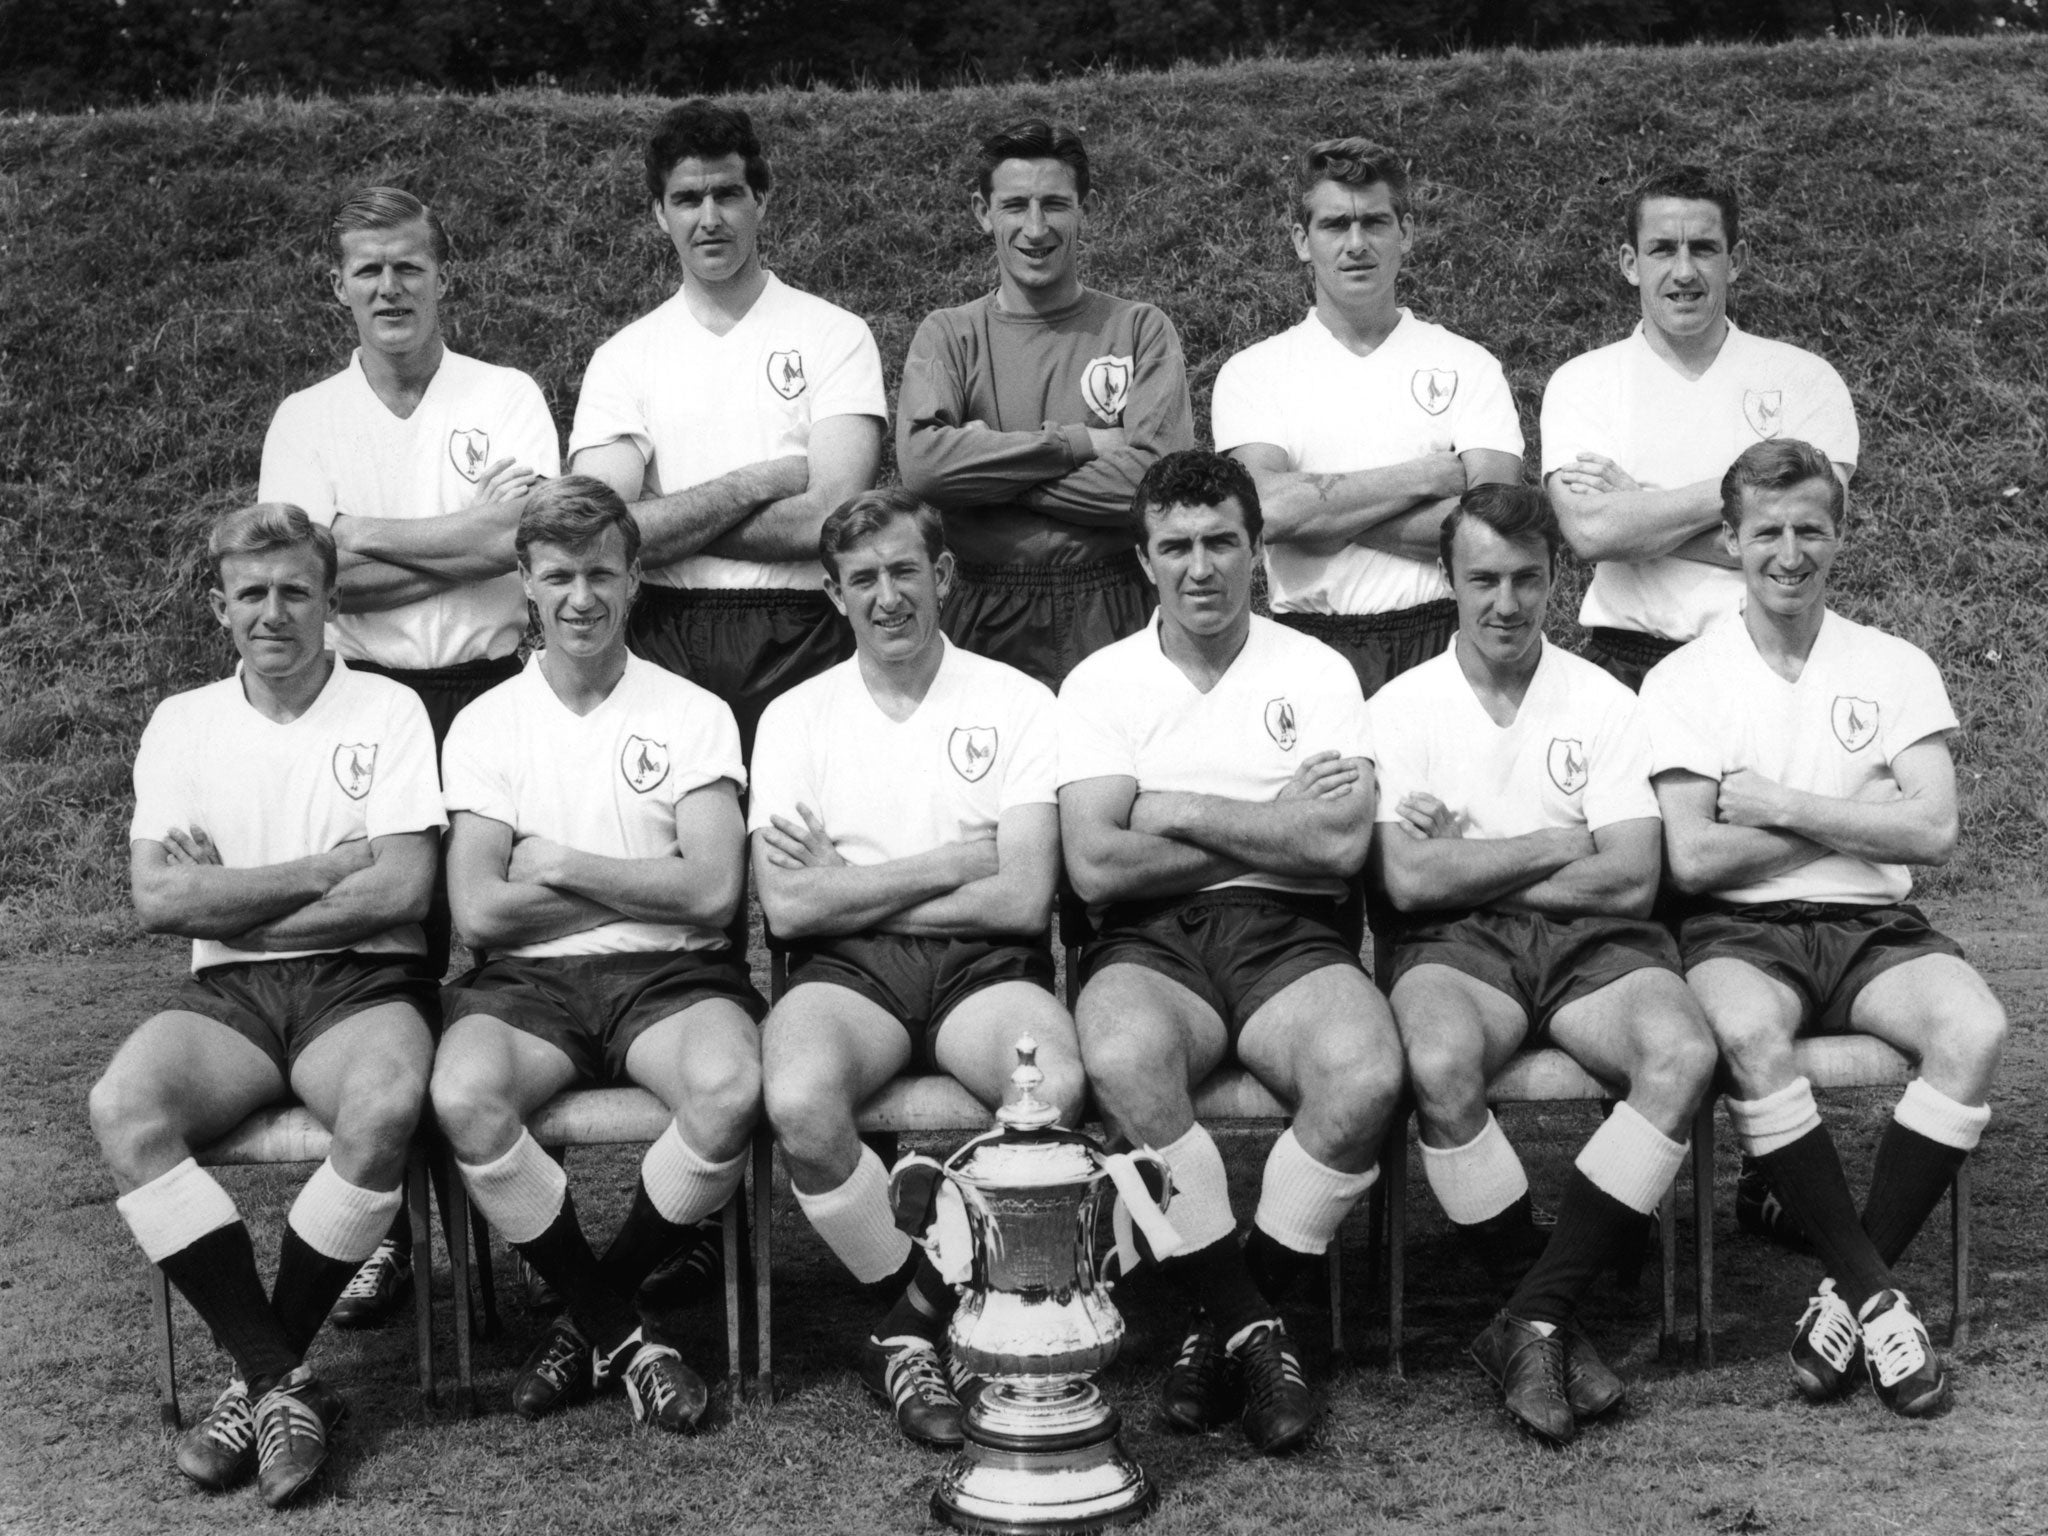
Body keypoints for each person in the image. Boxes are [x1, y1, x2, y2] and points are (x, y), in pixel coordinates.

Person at [1642, 438, 2006, 1419]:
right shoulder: (1683, 681)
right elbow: (1692, 860)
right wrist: (1851, 809)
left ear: (1838, 536)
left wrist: (1776, 805)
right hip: (1738, 932)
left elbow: (1928, 828)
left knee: (1970, 1031)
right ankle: (1876, 1294)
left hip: (1870, 924)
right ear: (1728, 541)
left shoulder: (1891, 666)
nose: (1788, 552)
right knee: (1746, 1032)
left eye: (1810, 528)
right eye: (1766, 531)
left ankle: (1844, 1298)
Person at [89, 503, 443, 1506]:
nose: (275, 613)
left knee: (380, 1107)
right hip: (230, 994)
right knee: (125, 1107)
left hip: (365, 983)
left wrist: (236, 896)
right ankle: (275, 1375)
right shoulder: (183, 723)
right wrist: (330, 870)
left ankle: (261, 1371)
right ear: (220, 609)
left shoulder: (387, 711)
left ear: (332, 601)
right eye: (253, 594)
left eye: (296, 591)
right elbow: (160, 898)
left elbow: (403, 891)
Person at [1057, 450, 1403, 1454]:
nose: (1199, 567)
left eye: (1220, 543)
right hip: (1146, 943)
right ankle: (1257, 1333)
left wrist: (1169, 807)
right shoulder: (1099, 684)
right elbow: (1094, 868)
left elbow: (1335, 846)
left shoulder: (1318, 672)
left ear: (1257, 553)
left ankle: (1218, 1321)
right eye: (1175, 547)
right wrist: (1262, 817)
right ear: (1142, 559)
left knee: (1363, 1072)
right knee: (1121, 1061)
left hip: (1288, 933)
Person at [258, 184, 562, 1325]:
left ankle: (506, 1193)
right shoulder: (306, 419)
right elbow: (302, 582)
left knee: (487, 947)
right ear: (336, 287)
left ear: (446, 276)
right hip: (358, 708)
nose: (389, 289)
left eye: (409, 268)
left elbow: (523, 543)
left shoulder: (507, 394)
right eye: (367, 271)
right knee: (380, 955)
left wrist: (364, 538)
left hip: (489, 689)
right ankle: (376, 1214)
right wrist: (457, 541)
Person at [1367, 483, 1716, 1445]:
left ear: (1557, 579)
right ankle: (1548, 1312)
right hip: (1456, 951)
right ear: (1450, 581)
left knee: (1680, 1054)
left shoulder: (1603, 700)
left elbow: (1633, 878)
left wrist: (1471, 865)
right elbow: (1405, 883)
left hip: (1591, 945)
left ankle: (1533, 1317)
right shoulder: (1400, 708)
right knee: (1438, 1064)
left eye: (1528, 578)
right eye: (1484, 579)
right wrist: (1561, 844)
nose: (1507, 603)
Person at [751, 488, 1087, 1448]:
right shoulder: (792, 718)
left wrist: (853, 878)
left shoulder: (1019, 701)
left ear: (942, 576)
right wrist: (948, 861)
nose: (887, 596)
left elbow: (1022, 898)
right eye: (864, 579)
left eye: (905, 571)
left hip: (986, 966)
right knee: (802, 1101)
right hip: (845, 973)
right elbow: (792, 907)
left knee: (1051, 1087)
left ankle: (907, 1326)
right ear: (833, 593)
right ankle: (917, 1315)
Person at [429, 478, 764, 1431]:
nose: (582, 597)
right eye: (560, 576)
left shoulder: (693, 711)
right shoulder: (488, 722)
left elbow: (709, 891)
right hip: (527, 984)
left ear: (636, 578)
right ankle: (623, 1331)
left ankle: (589, 1315)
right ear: (524, 585)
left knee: (731, 1086)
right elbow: (481, 915)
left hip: (671, 974)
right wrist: (639, 876)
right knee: (462, 1094)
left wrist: (567, 865)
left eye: (601, 574)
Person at [569, 100, 886, 751]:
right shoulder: (624, 359)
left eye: (727, 194)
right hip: (663, 635)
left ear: (760, 198)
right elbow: (605, 534)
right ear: (660, 212)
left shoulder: (835, 336)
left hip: (805, 634)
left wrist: (666, 518)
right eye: (687, 199)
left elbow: (827, 519)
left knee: (796, 848)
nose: (708, 219)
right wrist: (759, 481)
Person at [1213, 138, 1523, 699]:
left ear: (1405, 232)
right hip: (1310, 647)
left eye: (1375, 222)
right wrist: (1421, 479)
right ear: (1301, 241)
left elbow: (1494, 527)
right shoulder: (1253, 372)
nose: (1356, 244)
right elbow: (1267, 511)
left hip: (1444, 640)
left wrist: (1321, 519)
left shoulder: (1467, 364)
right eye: (1334, 225)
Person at [898, 118, 1196, 689]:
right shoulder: (949, 335)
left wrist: (988, 472)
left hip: (1114, 604)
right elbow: (924, 468)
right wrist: (1079, 444)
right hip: (985, 608)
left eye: (1054, 204)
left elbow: (1159, 489)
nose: (1035, 228)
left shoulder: (1139, 329)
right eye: (1015, 206)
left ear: (1084, 208)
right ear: (983, 212)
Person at [1541, 164, 1858, 693]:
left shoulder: (1805, 380)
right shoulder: (1584, 382)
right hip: (1627, 666)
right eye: (1663, 249)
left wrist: (1639, 511)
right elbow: (1591, 532)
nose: (1684, 272)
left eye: (1704, 249)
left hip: (1766, 662)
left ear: (1735, 262)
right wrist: (1755, 496)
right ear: (1630, 263)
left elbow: (1805, 541)